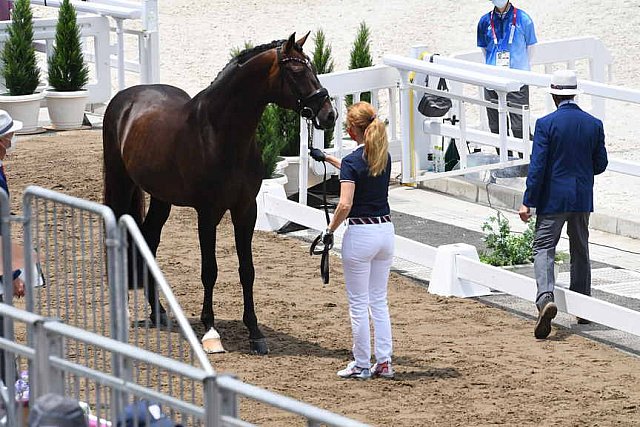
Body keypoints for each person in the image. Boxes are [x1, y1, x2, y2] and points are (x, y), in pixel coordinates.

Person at [518, 70, 608, 339]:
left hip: (553, 199)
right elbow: (600, 164)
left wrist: (528, 201)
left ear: (554, 95)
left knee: (544, 247)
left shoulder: (546, 124)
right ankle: (583, 307)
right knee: (580, 248)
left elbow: (538, 167)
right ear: (573, 93)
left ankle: (545, 298)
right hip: (581, 197)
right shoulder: (594, 123)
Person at [309, 102, 395, 380]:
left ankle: (360, 363)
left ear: (352, 130)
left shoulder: (353, 162)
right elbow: (351, 165)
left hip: (361, 235)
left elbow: (344, 204)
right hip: (385, 233)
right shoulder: (383, 156)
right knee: (378, 301)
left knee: (358, 304)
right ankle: (383, 361)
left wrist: (329, 230)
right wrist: (327, 158)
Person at [477, 0, 537, 148]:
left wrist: (520, 69)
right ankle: (504, 166)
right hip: (492, 82)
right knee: (496, 128)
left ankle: (527, 166)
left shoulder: (523, 19)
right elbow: (484, 50)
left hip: (517, 81)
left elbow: (531, 47)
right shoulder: (484, 21)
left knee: (519, 128)